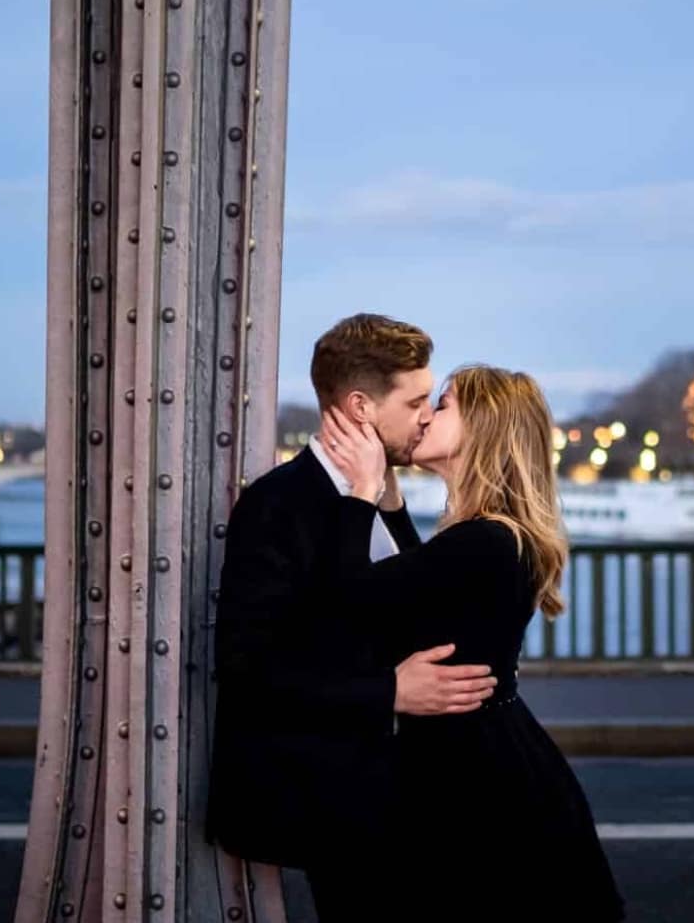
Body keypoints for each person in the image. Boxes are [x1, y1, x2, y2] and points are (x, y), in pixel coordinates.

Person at [208, 314, 498, 921]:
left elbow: (401, 607)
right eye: (417, 400)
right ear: (361, 406)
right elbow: (245, 666)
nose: (427, 414)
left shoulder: (382, 493)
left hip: (390, 790)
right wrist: (389, 691)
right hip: (330, 795)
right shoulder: (278, 503)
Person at [319, 364, 625, 923]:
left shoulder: (483, 541)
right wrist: (390, 502)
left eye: (445, 404)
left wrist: (359, 495)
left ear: (484, 427)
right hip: (490, 759)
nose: (427, 414)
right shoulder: (492, 534)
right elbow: (422, 591)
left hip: (474, 781)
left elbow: (352, 602)